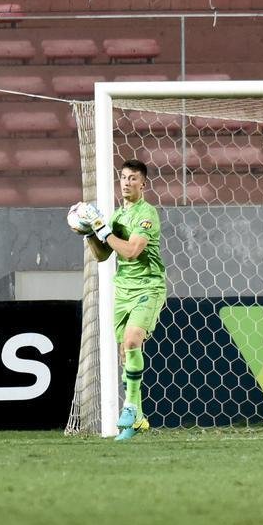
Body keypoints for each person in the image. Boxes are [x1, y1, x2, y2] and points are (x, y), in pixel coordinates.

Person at [80, 160, 166, 441]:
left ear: (143, 184)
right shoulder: (117, 216)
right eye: (124, 178)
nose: (127, 183)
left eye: (133, 179)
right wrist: (91, 233)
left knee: (131, 341)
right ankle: (138, 416)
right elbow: (103, 255)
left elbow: (130, 251)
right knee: (125, 352)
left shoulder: (146, 213)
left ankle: (129, 407)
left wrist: (103, 231)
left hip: (148, 287)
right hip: (123, 290)